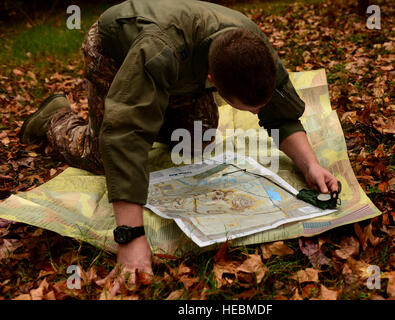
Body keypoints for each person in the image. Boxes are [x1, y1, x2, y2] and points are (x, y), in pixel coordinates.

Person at [20, 0, 338, 295]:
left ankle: (154, 101)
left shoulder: (253, 48)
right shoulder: (157, 51)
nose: (258, 114)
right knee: (104, 155)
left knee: (197, 137)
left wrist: (310, 165)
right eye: (250, 109)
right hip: (116, 48)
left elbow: (279, 111)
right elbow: (124, 132)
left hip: (181, 62)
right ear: (212, 80)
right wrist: (130, 237)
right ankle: (54, 119)